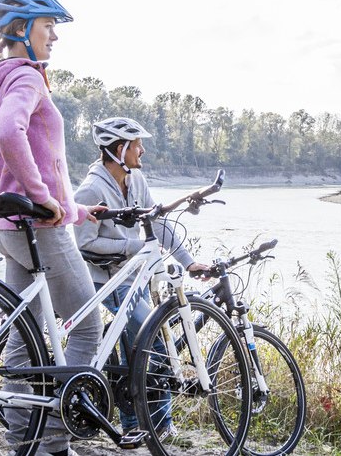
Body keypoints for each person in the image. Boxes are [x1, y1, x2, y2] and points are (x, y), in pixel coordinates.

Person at [0, 0, 104, 456]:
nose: (55, 36)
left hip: (11, 227)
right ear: (23, 30)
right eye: (48, 26)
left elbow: (34, 158)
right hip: (40, 228)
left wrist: (78, 209)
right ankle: (54, 441)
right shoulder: (26, 76)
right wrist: (45, 198)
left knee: (24, 337)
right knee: (86, 326)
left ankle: (23, 441)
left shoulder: (0, 78)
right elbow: (11, 134)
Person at [73, 117, 211, 440]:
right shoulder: (91, 188)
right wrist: (131, 247)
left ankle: (134, 424)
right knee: (154, 342)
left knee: (135, 345)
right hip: (106, 279)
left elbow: (157, 223)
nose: (142, 151)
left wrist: (188, 262)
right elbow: (84, 243)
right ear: (120, 149)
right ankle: (159, 425)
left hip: (135, 277)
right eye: (137, 145)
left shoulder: (136, 180)